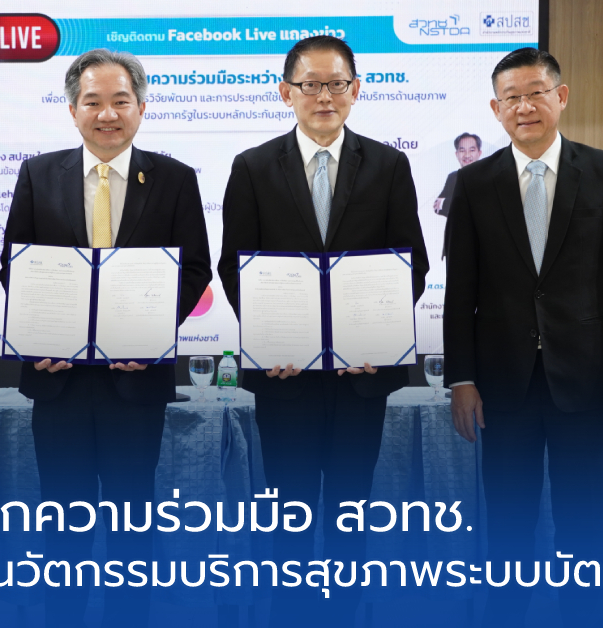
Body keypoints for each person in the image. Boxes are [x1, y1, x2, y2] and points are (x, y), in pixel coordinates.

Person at [218, 36, 428, 626]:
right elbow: (235, 266)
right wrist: (269, 339)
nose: (324, 96)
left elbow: (411, 263)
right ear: (286, 93)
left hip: (362, 377)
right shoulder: (252, 166)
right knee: (288, 512)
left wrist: (379, 336)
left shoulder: (388, 165)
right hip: (284, 378)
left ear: (355, 90)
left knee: (349, 510)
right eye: (310, 84)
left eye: (336, 84)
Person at [0, 49, 212, 628]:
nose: (108, 114)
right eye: (93, 101)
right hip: (58, 383)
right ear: (73, 110)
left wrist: (149, 334)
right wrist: (40, 334)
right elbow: (16, 266)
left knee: (131, 524)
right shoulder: (38, 174)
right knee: (62, 526)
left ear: (141, 107)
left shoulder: (174, 179)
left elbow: (195, 270)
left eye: (121, 101)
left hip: (135, 386)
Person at [443, 48, 603, 628]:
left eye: (536, 92)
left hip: (585, 379)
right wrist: (462, 379)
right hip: (502, 384)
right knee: (509, 518)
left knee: (584, 518)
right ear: (495, 109)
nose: (525, 106)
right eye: (511, 97)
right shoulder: (473, 183)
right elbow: (460, 290)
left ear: (561, 96)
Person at [433, 132, 483, 216]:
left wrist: (445, 203)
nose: (467, 155)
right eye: (462, 150)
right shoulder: (452, 176)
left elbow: (478, 205)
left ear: (479, 153)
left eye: (471, 150)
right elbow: (437, 206)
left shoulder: (488, 176)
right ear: (456, 154)